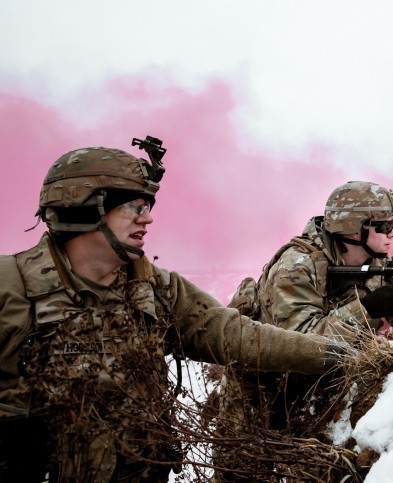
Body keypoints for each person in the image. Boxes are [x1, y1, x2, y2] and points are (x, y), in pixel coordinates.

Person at [0, 143, 344, 483]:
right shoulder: (11, 288)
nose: (147, 218)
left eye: (147, 205)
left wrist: (341, 355)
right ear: (85, 208)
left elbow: (235, 336)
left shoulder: (154, 288)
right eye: (133, 206)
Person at [215, 180, 393, 480]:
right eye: (383, 226)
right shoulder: (297, 266)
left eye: (391, 224)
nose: (391, 233)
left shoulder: (371, 263)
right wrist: (367, 309)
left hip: (313, 399)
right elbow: (303, 344)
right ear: (355, 230)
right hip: (258, 399)